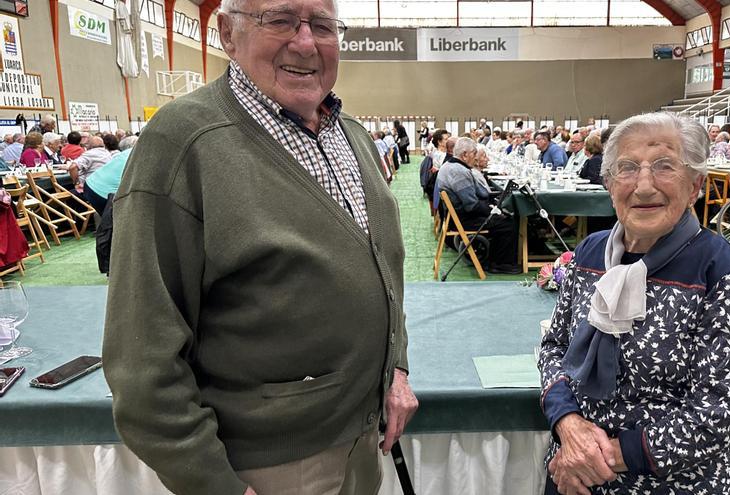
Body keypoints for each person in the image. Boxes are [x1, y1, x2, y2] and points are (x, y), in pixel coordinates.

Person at [104, 1, 419, 494]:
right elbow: (141, 358)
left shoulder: (351, 135)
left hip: (361, 441)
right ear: (227, 33)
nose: (306, 42)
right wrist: (217, 485)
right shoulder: (184, 141)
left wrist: (395, 366)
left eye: (323, 25)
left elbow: (385, 268)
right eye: (280, 20)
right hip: (269, 466)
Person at [539, 112, 730, 495]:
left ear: (695, 186)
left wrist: (596, 460)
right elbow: (555, 347)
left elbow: (714, 413)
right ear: (608, 184)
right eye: (627, 168)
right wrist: (568, 426)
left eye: (664, 167)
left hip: (668, 483)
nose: (643, 186)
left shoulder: (721, 270)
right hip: (572, 469)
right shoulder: (590, 252)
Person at [436, 137, 518, 274]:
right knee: (508, 223)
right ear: (465, 155)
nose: (475, 157)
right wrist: (494, 210)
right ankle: (499, 264)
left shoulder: (449, 165)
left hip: (455, 217)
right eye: (474, 153)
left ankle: (497, 259)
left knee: (502, 216)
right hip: (465, 220)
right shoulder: (459, 172)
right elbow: (472, 206)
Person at [83, 136, 138, 214]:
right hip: (104, 192)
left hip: (91, 184)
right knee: (113, 221)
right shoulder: (142, 154)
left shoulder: (131, 150)